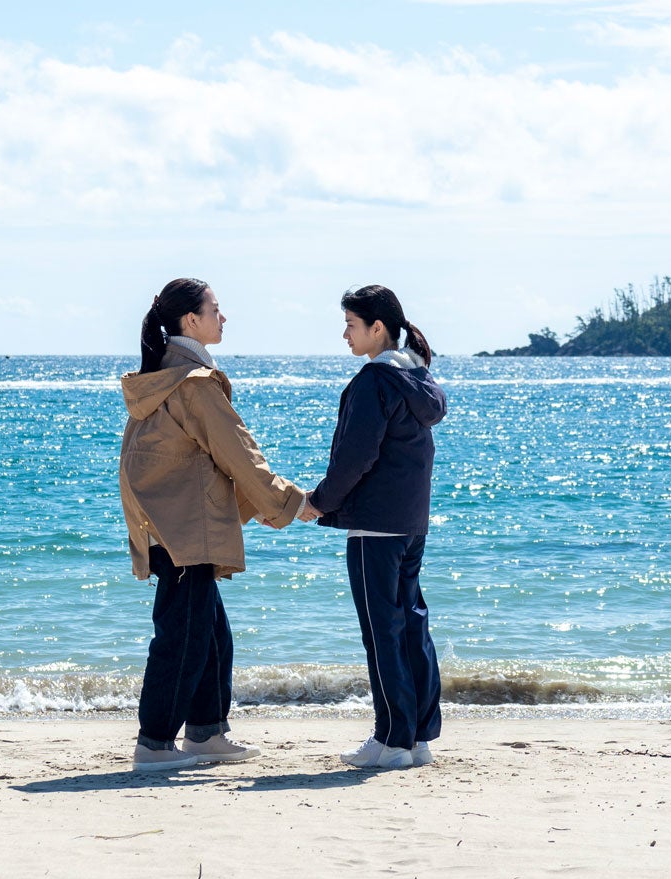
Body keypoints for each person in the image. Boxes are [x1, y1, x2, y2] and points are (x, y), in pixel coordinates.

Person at [119, 278, 317, 772]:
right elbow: (239, 454)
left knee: (208, 633)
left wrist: (269, 506)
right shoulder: (193, 384)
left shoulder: (162, 377)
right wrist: (289, 502)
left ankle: (206, 734)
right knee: (183, 637)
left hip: (174, 523)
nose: (222, 318)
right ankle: (155, 742)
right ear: (191, 320)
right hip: (185, 528)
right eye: (215, 310)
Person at [304, 285, 446, 770]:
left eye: (351, 324)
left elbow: (354, 458)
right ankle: (418, 737)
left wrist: (319, 504)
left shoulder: (374, 380)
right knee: (410, 626)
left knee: (382, 631)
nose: (344, 334)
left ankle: (391, 740)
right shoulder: (415, 376)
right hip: (410, 523)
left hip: (375, 528)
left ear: (377, 328)